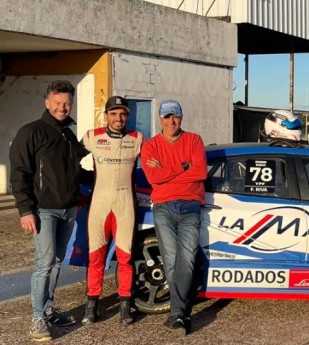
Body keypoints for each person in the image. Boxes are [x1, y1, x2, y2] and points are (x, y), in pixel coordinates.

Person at [9, 80, 89, 341]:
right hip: (43, 210)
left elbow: (78, 168)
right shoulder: (31, 132)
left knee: (55, 263)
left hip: (68, 210)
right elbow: (19, 174)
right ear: (47, 103)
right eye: (57, 103)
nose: (62, 107)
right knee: (44, 263)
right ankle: (37, 319)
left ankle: (48, 309)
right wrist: (25, 210)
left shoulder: (68, 135)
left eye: (67, 103)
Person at [140, 99, 207, 335]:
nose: (171, 121)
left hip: (190, 205)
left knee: (187, 259)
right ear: (160, 119)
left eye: (175, 116)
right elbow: (154, 179)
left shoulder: (194, 140)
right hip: (163, 207)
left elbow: (200, 172)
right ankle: (180, 313)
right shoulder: (150, 146)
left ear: (181, 118)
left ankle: (178, 313)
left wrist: (169, 169)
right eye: (167, 116)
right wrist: (183, 166)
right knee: (170, 259)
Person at [80, 96, 144, 325]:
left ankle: (125, 304)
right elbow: (71, 161)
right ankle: (92, 305)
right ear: (106, 115)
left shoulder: (137, 138)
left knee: (125, 257)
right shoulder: (92, 137)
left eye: (123, 114)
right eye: (114, 113)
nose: (119, 118)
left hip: (125, 203)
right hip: (99, 203)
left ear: (127, 116)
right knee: (95, 257)